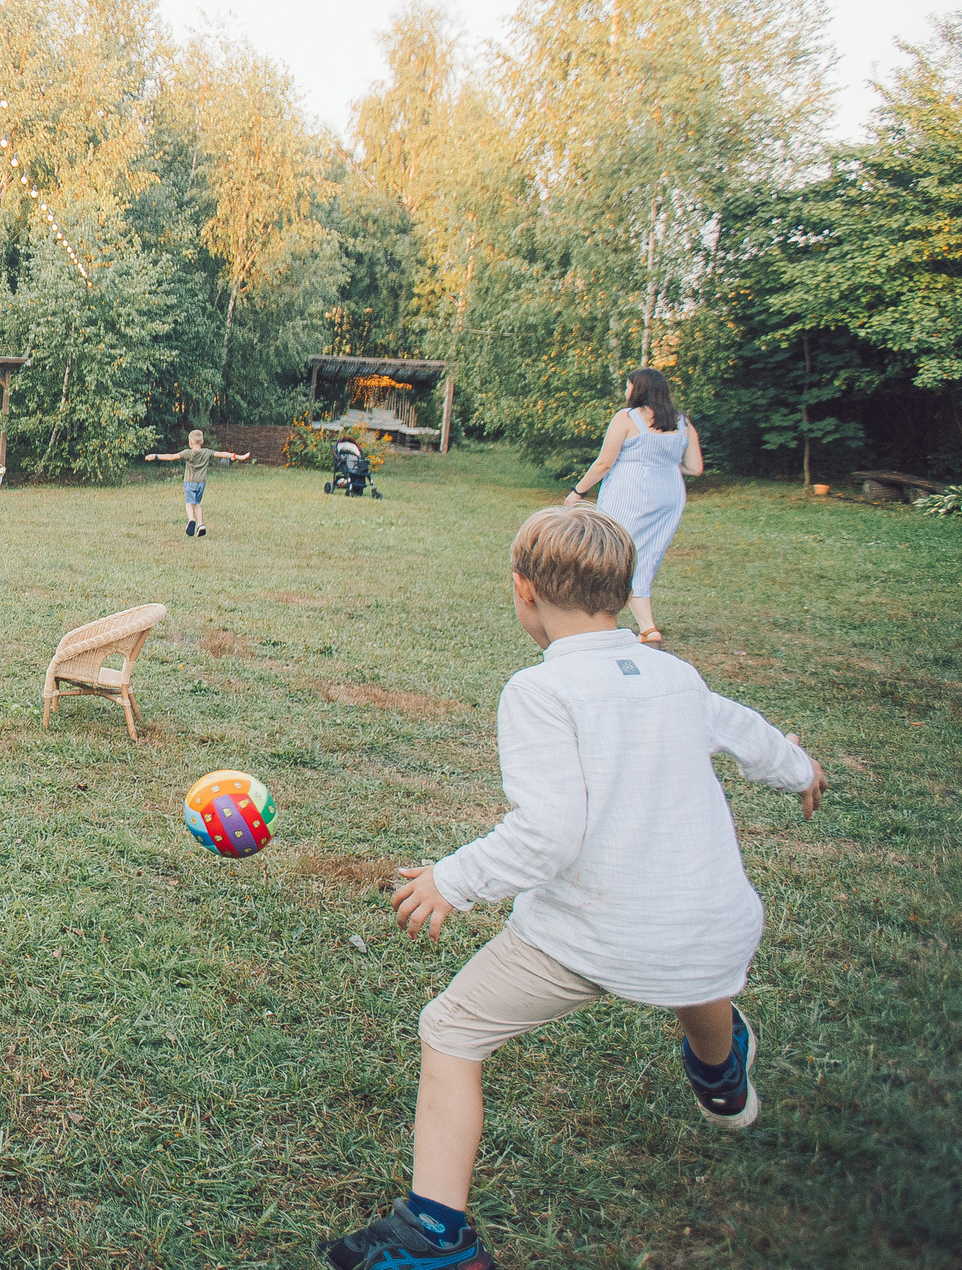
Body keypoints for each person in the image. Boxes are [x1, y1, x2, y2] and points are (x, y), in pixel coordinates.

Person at [319, 506, 826, 1270]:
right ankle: (721, 1075)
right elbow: (747, 731)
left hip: (593, 933)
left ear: (523, 591)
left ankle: (435, 1234)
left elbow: (552, 832)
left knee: (451, 1030)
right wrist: (800, 768)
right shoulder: (674, 673)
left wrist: (451, 878)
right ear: (622, 590)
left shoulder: (539, 690)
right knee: (693, 962)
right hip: (715, 927)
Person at [564, 367, 703, 646]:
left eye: (628, 386)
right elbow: (695, 467)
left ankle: (594, 618)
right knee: (645, 555)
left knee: (610, 552)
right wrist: (663, 460)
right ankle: (648, 627)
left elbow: (604, 462)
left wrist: (577, 492)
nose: (626, 392)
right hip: (669, 496)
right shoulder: (682, 423)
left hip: (630, 494)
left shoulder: (626, 418)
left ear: (637, 389)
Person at [142, 428, 249, 537]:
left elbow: (171, 457)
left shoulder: (187, 453)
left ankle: (191, 519)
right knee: (197, 504)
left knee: (189, 503)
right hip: (201, 483)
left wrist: (155, 456)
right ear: (202, 442)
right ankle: (201, 524)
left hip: (190, 482)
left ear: (190, 442)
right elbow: (223, 454)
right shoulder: (207, 452)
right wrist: (238, 456)